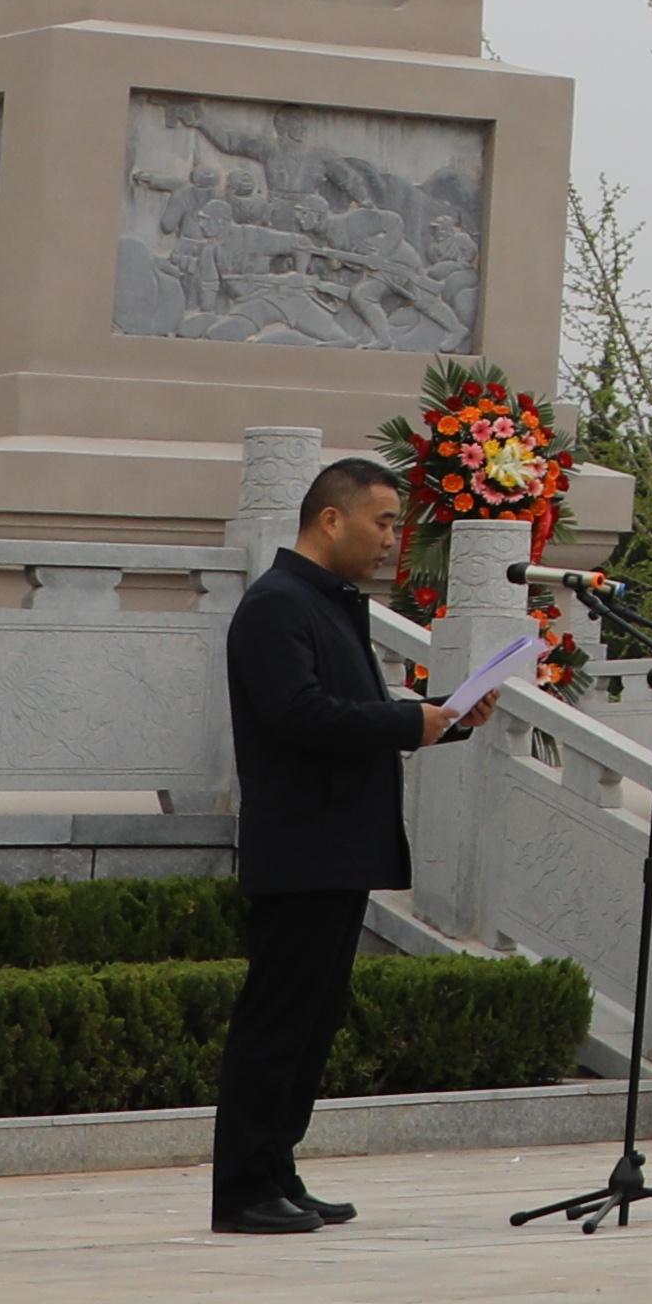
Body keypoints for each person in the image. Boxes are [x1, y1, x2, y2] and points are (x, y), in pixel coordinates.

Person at [215, 453, 491, 1234]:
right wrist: (411, 721)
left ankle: (278, 1170)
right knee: (277, 1021)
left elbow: (346, 712)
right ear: (330, 519)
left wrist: (444, 716)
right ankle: (242, 1188)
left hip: (337, 846)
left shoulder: (329, 605)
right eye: (383, 522)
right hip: (301, 848)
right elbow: (298, 715)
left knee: (312, 1021)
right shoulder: (276, 606)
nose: (391, 541)